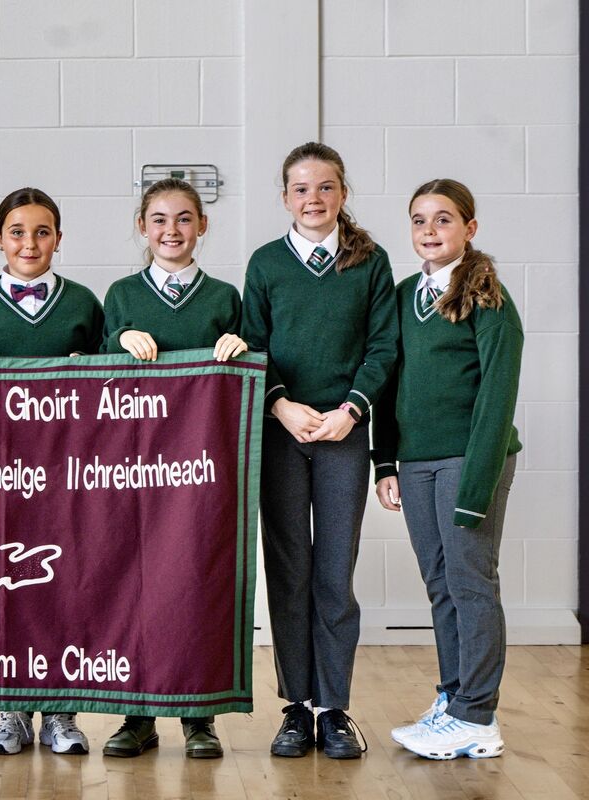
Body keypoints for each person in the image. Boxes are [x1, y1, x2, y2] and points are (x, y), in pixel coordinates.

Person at [240, 142, 397, 759]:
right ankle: (296, 706)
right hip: (281, 435)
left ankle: (333, 708)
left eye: (326, 187)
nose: (314, 198)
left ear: (343, 194)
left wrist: (350, 410)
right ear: (285, 198)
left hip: (342, 435)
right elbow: (253, 344)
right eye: (302, 189)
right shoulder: (265, 264)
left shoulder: (371, 262)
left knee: (334, 571)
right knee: (288, 571)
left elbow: (382, 347)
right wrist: (280, 405)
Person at [373, 179, 522, 760]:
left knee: (470, 582)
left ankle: (477, 717)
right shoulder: (403, 295)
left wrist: (476, 487)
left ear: (469, 228)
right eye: (419, 220)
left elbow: (497, 401)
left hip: (469, 460)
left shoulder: (489, 299)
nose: (429, 231)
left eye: (443, 219)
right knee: (439, 585)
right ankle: (454, 698)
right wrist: (385, 461)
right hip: (417, 463)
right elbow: (388, 383)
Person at [0, 187, 104, 756]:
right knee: (4, 588)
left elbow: (113, 391)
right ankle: (10, 710)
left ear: (59, 239)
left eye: (42, 232)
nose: (30, 243)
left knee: (63, 585)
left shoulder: (84, 304)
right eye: (17, 232)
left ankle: (61, 712)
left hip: (66, 474)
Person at [99, 177, 245, 759]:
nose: (171, 230)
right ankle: (136, 716)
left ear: (202, 226)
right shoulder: (121, 295)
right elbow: (94, 381)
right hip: (133, 470)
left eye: (184, 218)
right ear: (142, 226)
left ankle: (197, 716)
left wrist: (240, 350)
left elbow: (241, 382)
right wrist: (118, 338)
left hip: (199, 473)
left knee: (194, 583)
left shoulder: (224, 298)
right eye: (159, 219)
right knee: (133, 585)